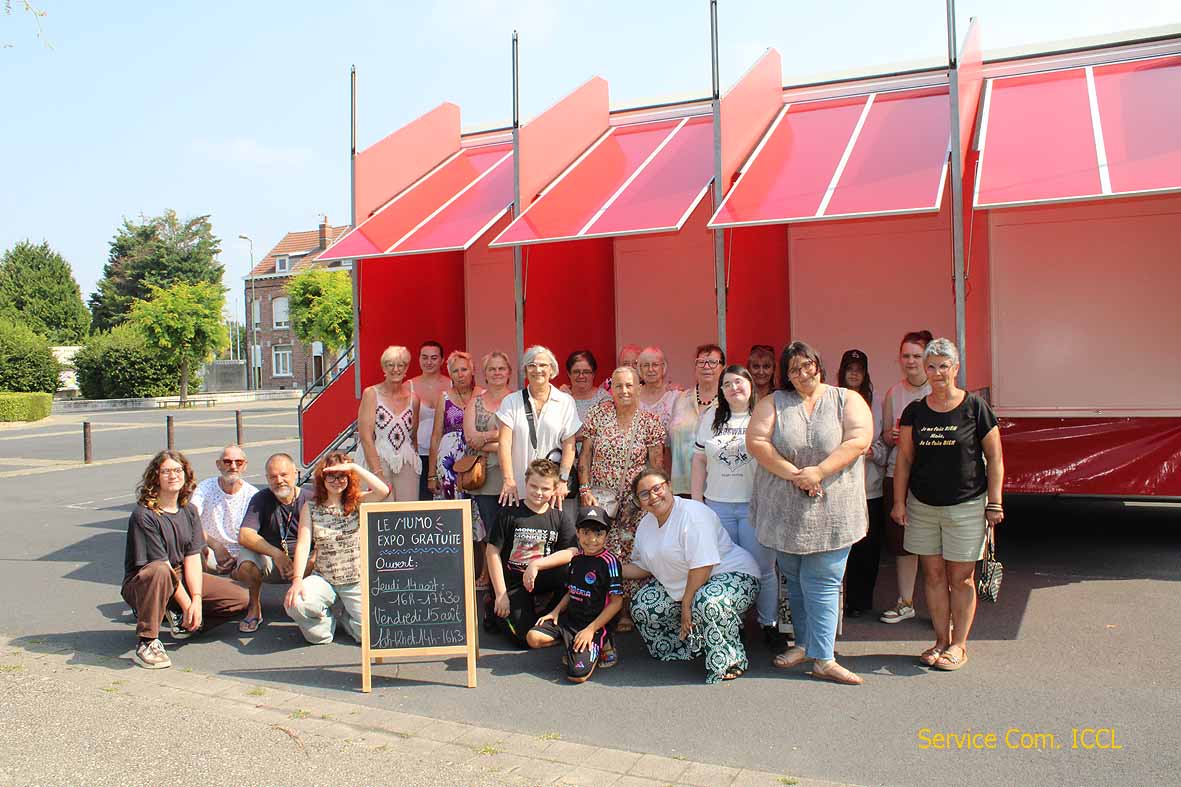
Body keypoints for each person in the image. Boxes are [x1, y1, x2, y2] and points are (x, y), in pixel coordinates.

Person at [748, 341, 872, 685]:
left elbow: (859, 439)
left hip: (834, 511)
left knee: (823, 580)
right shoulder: (773, 402)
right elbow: (757, 442)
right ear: (786, 375)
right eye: (794, 369)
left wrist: (818, 472)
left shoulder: (847, 399)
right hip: (785, 512)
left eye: (808, 365)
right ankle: (803, 644)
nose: (803, 374)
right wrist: (796, 475)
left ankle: (824, 657)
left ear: (818, 365)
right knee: (795, 579)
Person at [892, 338, 1004, 671]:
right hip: (923, 506)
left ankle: (959, 645)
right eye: (932, 366)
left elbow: (995, 457)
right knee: (933, 576)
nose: (938, 372)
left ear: (955, 368)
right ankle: (940, 640)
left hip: (966, 505)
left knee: (962, 578)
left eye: (944, 366)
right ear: (924, 370)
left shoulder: (975, 407)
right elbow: (904, 461)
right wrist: (899, 502)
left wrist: (995, 502)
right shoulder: (914, 411)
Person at [623, 468, 762, 684]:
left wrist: (686, 605)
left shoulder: (693, 514)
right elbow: (644, 566)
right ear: (639, 501)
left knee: (707, 602)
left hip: (734, 575)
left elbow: (702, 566)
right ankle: (696, 647)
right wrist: (608, 568)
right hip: (689, 584)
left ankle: (729, 660)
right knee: (643, 605)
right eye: (644, 494)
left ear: (669, 486)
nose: (653, 496)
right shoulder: (645, 525)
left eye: (657, 488)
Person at [121, 451, 249, 669]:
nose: (173, 476)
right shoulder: (144, 515)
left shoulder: (189, 511)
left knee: (240, 598)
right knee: (161, 570)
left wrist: (196, 600)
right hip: (147, 580)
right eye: (166, 471)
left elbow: (192, 558)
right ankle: (147, 641)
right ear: (155, 477)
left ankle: (183, 621)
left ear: (185, 474)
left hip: (177, 575)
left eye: (178, 470)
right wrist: (187, 603)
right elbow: (164, 566)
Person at [690, 365, 783, 649]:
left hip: (756, 506)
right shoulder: (710, 418)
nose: (733, 388)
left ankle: (769, 624)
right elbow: (699, 460)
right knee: (724, 569)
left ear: (751, 385)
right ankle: (734, 623)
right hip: (718, 507)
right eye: (727, 384)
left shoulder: (764, 415)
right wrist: (697, 503)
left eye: (739, 382)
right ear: (721, 391)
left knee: (763, 568)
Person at [578, 366, 665, 632]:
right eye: (618, 386)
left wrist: (644, 502)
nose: (624, 390)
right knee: (599, 549)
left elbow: (656, 466)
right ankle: (597, 606)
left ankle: (626, 610)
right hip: (600, 500)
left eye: (629, 385)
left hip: (634, 504)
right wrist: (584, 490)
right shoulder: (598, 414)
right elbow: (585, 455)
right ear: (611, 389)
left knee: (629, 552)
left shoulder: (650, 422)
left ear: (639, 387)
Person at [283, 452, 390, 644]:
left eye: (342, 476)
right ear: (322, 479)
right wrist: (297, 580)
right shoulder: (311, 507)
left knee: (370, 638)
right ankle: (326, 623)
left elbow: (383, 491)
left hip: (355, 580)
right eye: (331, 476)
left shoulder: (356, 502)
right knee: (296, 604)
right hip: (323, 577)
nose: (337, 481)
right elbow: (303, 544)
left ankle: (348, 619)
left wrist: (354, 467)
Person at [484, 459, 577, 647]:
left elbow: (572, 551)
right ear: (525, 483)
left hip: (541, 578)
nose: (539, 492)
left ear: (554, 490)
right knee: (524, 639)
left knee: (572, 572)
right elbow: (492, 552)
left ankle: (549, 615)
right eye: (534, 486)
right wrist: (501, 594)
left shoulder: (559, 517)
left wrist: (536, 564)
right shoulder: (509, 513)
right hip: (513, 583)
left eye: (545, 488)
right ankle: (493, 604)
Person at [526, 505, 623, 683]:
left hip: (595, 625)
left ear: (606, 536)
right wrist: (555, 612)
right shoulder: (576, 559)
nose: (592, 539)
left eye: (598, 533)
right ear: (577, 533)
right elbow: (572, 591)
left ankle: (603, 643)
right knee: (533, 637)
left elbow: (616, 602)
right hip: (571, 620)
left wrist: (590, 630)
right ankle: (573, 644)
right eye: (585, 532)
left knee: (577, 675)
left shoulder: (610, 562)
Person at [879, 330, 933, 624]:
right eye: (906, 356)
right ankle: (906, 601)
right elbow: (886, 437)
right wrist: (893, 435)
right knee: (902, 543)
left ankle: (942, 608)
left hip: (930, 476)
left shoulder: (937, 390)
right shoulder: (894, 393)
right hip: (896, 474)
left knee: (935, 545)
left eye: (916, 356)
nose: (910, 361)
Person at [496, 345, 580, 530]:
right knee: (519, 539)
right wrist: (508, 480)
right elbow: (504, 443)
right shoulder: (511, 402)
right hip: (520, 488)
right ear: (525, 370)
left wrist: (562, 481)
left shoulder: (565, 402)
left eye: (543, 365)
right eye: (532, 365)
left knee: (556, 537)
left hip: (553, 490)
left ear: (552, 370)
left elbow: (569, 445)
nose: (537, 370)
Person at [236, 453, 314, 633]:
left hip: (307, 564)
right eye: (273, 477)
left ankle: (323, 608)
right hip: (273, 562)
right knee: (246, 561)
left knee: (327, 556)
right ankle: (254, 607)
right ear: (267, 478)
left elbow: (329, 537)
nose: (279, 480)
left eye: (284, 475)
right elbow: (245, 534)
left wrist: (310, 561)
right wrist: (276, 554)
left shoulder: (311, 499)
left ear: (295, 473)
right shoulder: (261, 498)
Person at [839, 350, 888, 617]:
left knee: (867, 549)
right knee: (840, 549)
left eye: (859, 369)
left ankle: (860, 602)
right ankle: (838, 602)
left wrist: (874, 453)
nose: (854, 373)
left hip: (870, 487)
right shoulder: (832, 399)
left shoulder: (877, 402)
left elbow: (884, 441)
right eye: (850, 368)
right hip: (840, 487)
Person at [463, 351, 514, 589]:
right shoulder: (475, 402)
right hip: (482, 477)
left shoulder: (516, 400)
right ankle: (492, 580)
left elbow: (517, 438)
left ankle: (508, 580)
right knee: (489, 528)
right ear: (484, 374)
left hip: (510, 475)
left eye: (501, 368)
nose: (497, 373)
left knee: (510, 529)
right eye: (492, 369)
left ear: (509, 372)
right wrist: (501, 438)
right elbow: (470, 438)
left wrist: (487, 439)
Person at [357, 345, 421, 502]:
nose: (395, 369)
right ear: (383, 368)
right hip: (377, 457)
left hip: (406, 460)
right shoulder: (371, 394)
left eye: (401, 365)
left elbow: (413, 437)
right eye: (390, 365)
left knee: (409, 509)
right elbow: (365, 437)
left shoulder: (414, 399)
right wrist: (377, 473)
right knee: (380, 510)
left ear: (406, 368)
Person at [189, 444, 258, 576]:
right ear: (218, 465)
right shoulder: (205, 488)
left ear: (245, 465)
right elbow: (190, 520)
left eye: (239, 462)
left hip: (242, 552)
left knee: (250, 566)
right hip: (210, 549)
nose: (233, 466)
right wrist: (216, 546)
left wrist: (237, 558)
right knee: (195, 555)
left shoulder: (253, 494)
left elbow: (255, 534)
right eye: (227, 462)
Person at [668, 344, 724, 496]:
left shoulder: (727, 403)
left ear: (723, 368)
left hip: (715, 489)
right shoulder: (680, 399)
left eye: (712, 362)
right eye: (701, 362)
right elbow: (668, 445)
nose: (706, 367)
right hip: (681, 487)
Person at [428, 350, 483, 503]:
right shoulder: (444, 397)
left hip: (476, 459)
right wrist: (431, 475)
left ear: (472, 371)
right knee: (451, 505)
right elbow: (436, 436)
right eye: (455, 371)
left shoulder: (483, 395)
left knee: (477, 504)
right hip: (448, 462)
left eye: (464, 369)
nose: (460, 374)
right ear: (450, 375)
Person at [409, 340, 450, 500]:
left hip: (445, 454)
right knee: (421, 500)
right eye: (424, 357)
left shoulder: (452, 385)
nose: (429, 362)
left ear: (442, 360)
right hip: (417, 454)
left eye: (434, 358)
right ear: (419, 359)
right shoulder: (408, 386)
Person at [637, 345, 681, 434]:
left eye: (655, 365)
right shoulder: (632, 396)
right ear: (640, 369)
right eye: (646, 365)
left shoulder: (675, 397)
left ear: (663, 367)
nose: (650, 369)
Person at [566, 349, 611, 423]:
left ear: (593, 374)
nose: (581, 376)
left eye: (586, 372)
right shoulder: (562, 397)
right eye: (576, 372)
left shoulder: (603, 398)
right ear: (569, 374)